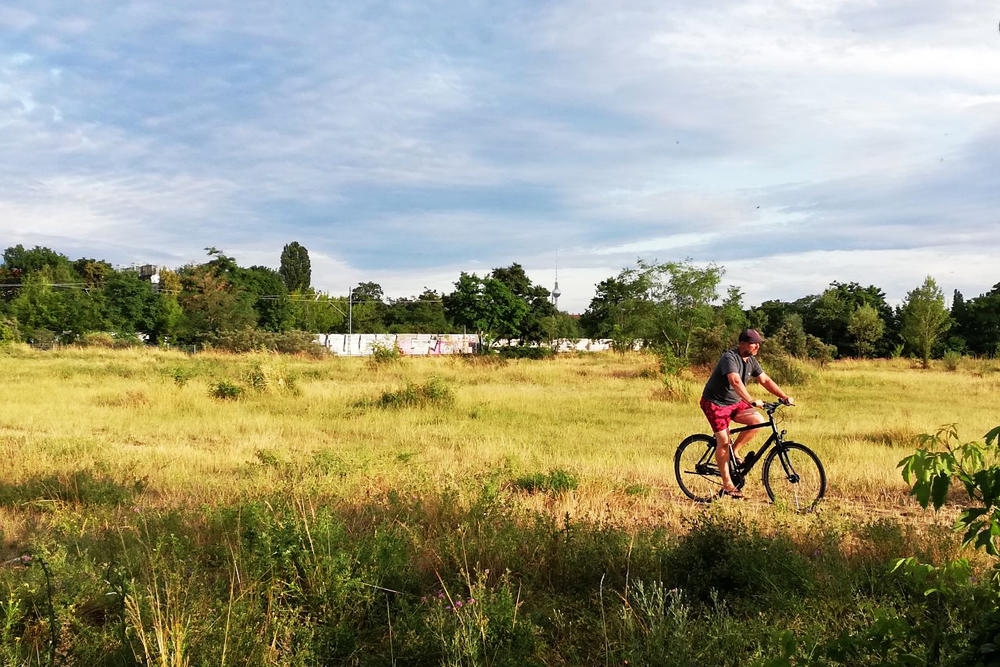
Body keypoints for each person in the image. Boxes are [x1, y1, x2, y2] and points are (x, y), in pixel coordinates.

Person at [700, 328, 794, 499]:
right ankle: (728, 484)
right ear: (742, 343)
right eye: (753, 343)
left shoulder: (751, 361)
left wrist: (783, 396)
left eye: (758, 343)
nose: (757, 346)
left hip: (735, 402)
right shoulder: (730, 358)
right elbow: (735, 381)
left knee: (757, 419)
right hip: (715, 403)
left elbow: (765, 380)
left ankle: (734, 452)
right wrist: (751, 400)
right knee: (723, 441)